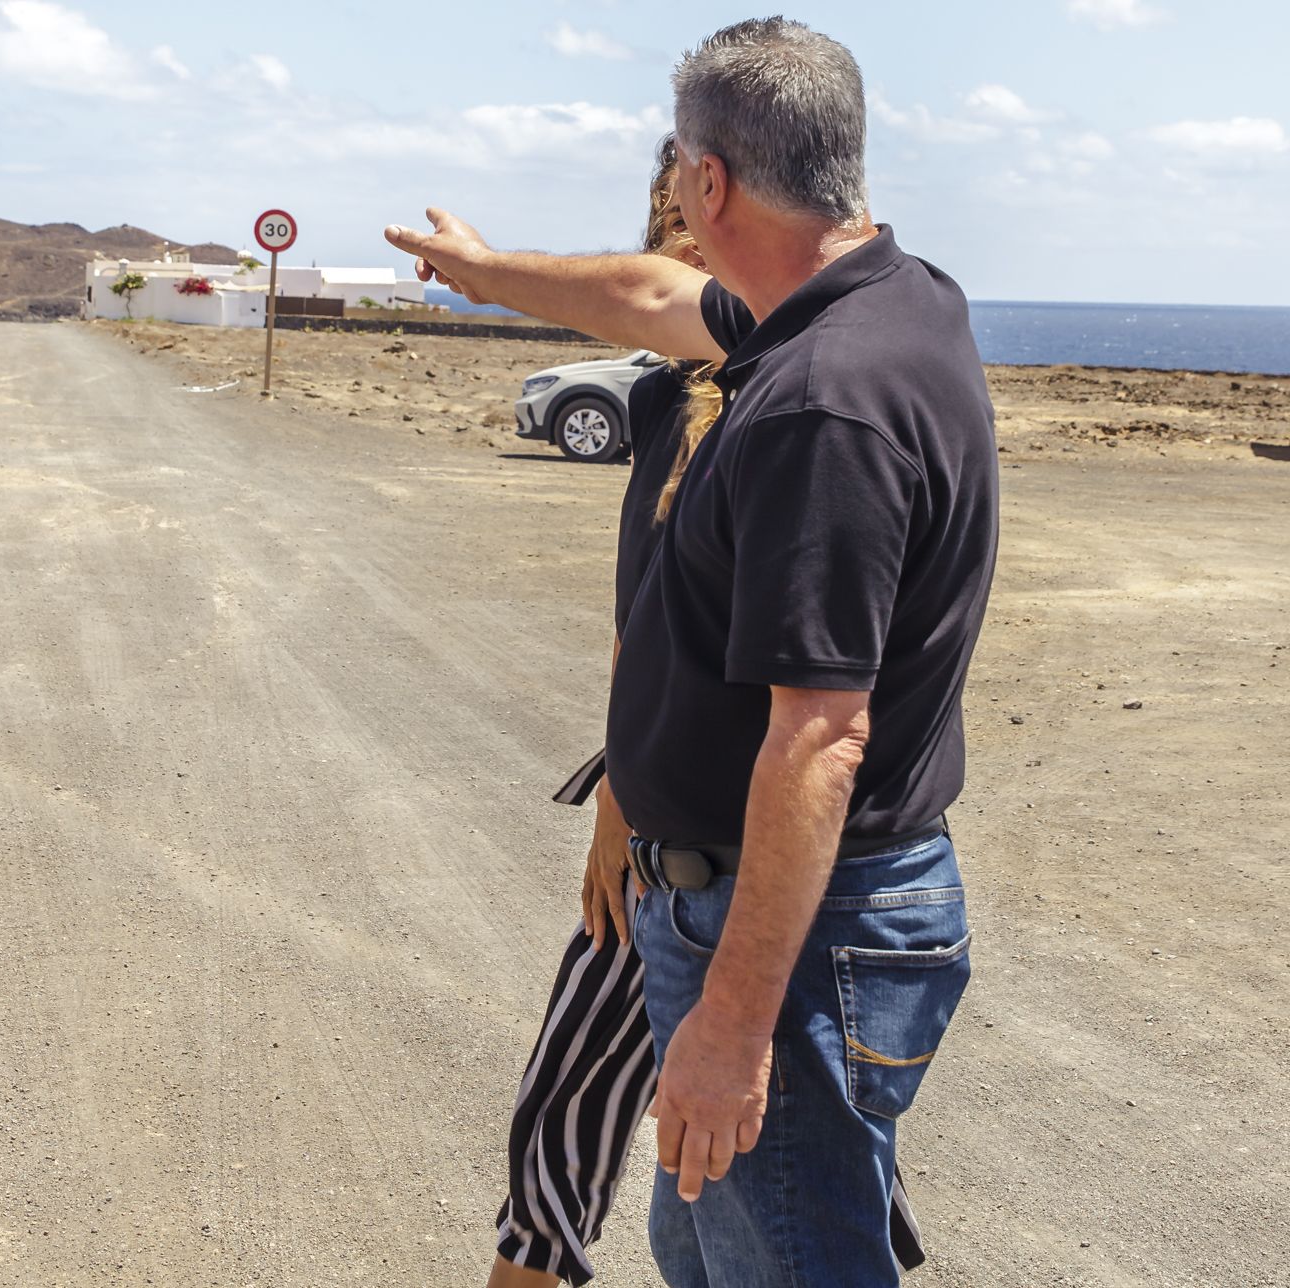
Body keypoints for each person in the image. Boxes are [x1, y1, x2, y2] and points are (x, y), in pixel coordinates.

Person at [389, 17, 998, 1287]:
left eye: (679, 170)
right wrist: (486, 271)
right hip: (748, 910)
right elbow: (647, 293)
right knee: (711, 1245)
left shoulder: (819, 400)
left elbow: (819, 736)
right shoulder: (886, 298)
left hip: (779, 934)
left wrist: (728, 1023)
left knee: (781, 1259)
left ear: (704, 180)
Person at [489, 135, 922, 1287]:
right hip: (672, 841)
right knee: (734, 1183)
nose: (679, 262)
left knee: (649, 1140)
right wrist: (615, 794)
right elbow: (645, 625)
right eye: (664, 235)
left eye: (691, 230)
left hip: (734, 863)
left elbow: (823, 703)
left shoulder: (795, 398)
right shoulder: (673, 400)